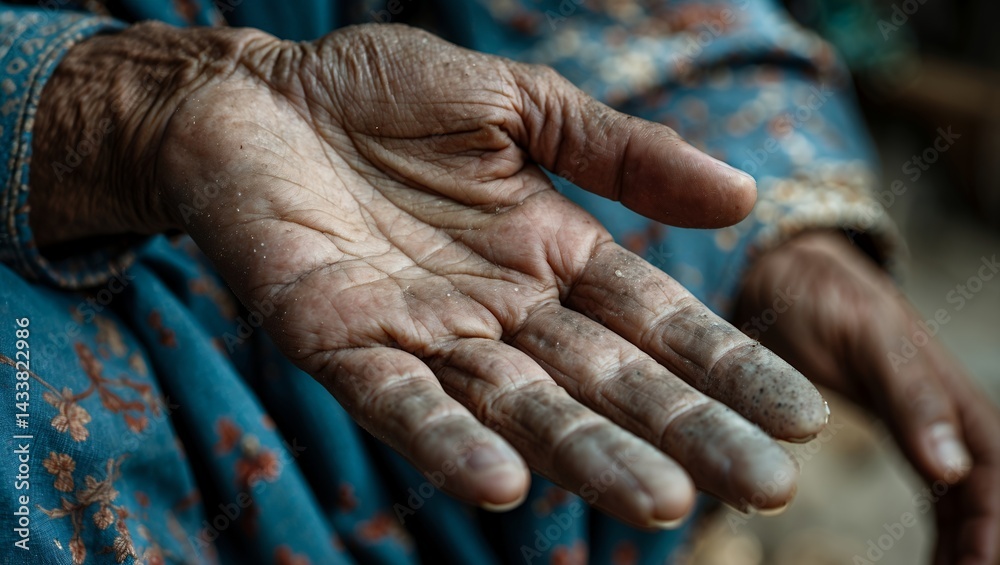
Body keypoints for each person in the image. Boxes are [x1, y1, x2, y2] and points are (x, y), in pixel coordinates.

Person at [0, 1, 996, 563]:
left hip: (437, 186)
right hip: (57, 275)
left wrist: (779, 233)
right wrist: (139, 111)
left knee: (628, 295)